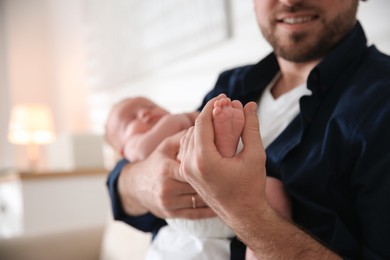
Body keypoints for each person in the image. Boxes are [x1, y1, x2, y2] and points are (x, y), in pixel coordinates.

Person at [106, 0, 390, 258]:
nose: (290, 1)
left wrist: (249, 215)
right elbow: (123, 187)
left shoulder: (381, 102)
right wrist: (144, 182)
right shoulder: (230, 85)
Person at [105, 96, 291, 259]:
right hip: (191, 211)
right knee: (189, 157)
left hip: (240, 217)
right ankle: (223, 150)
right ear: (121, 151)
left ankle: (257, 252)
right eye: (130, 119)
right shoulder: (134, 147)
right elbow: (141, 151)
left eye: (151, 106)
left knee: (272, 189)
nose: (145, 112)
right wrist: (180, 120)